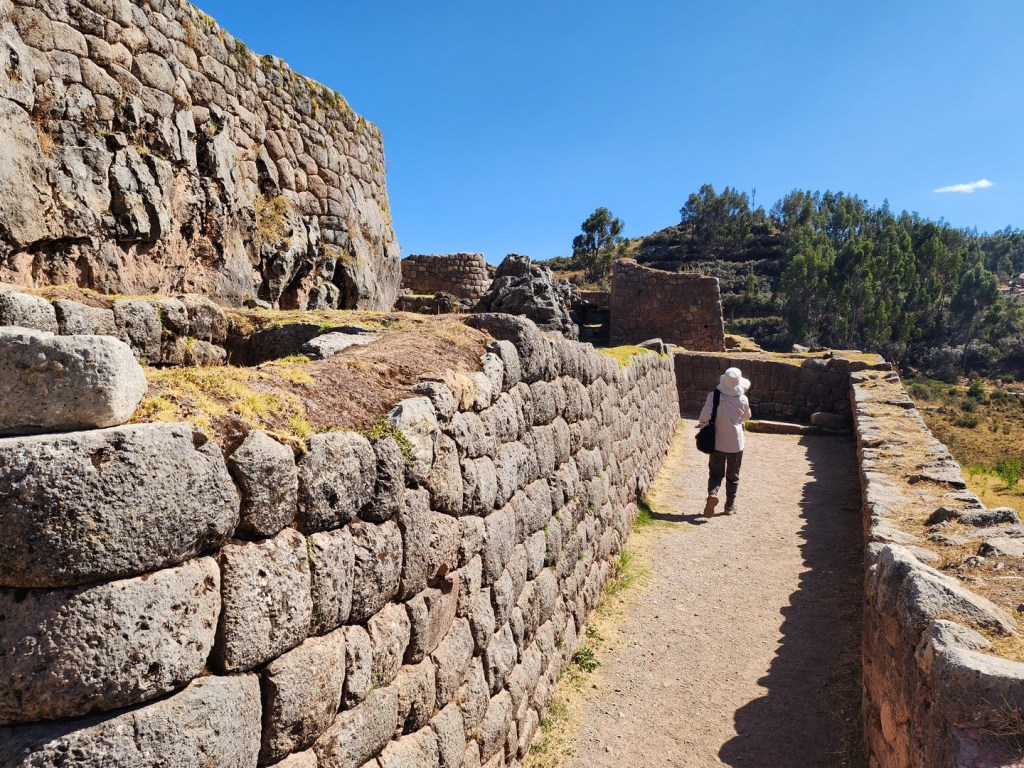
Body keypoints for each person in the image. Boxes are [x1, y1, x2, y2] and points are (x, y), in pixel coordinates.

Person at [697, 367, 752, 517]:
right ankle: (729, 506)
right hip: (736, 443)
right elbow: (747, 417)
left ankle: (713, 494)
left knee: (715, 473)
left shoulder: (713, 396)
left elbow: (703, 418)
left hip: (717, 442)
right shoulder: (742, 399)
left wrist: (707, 424)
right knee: (733, 476)